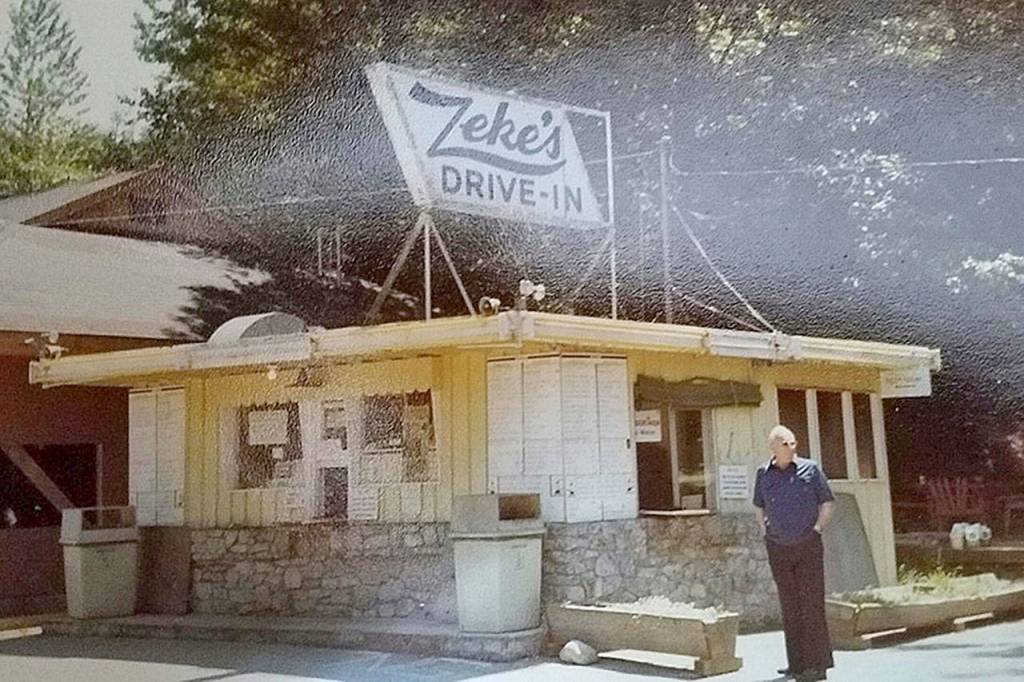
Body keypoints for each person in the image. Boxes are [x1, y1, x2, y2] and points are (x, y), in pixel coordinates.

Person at [753, 425, 835, 682]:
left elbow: (828, 502)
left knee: (811, 603)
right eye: (786, 444)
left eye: (793, 442)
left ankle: (817, 665)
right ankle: (796, 664)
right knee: (789, 604)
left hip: (807, 544)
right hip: (778, 546)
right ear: (774, 448)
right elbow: (759, 505)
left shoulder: (810, 469)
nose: (792, 447)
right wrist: (764, 531)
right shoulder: (763, 474)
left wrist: (818, 528)